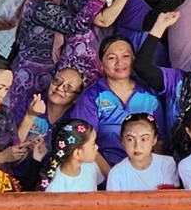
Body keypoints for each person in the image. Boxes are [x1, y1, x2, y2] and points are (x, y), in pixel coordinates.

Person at [0, 0, 97, 146]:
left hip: (50, 76)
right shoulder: (39, 4)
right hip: (30, 78)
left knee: (45, 127)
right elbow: (73, 26)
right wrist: (97, 0)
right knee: (24, 123)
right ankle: (13, 159)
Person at [72, 32, 174, 165]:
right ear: (100, 64)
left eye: (125, 56)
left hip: (143, 171)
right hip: (102, 171)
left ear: (134, 60)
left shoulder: (150, 97)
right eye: (111, 58)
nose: (119, 62)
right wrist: (111, 175)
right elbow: (84, 142)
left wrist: (146, 172)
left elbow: (159, 142)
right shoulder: (91, 96)